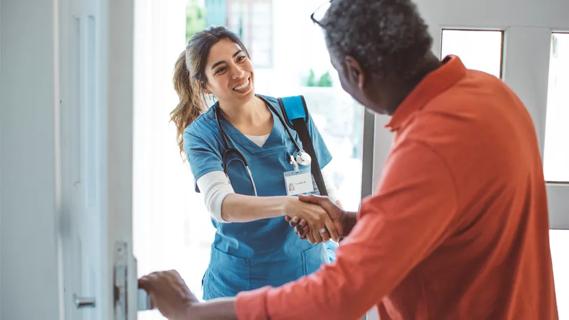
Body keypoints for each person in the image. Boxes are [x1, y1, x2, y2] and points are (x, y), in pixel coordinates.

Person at [140, 0, 559, 319]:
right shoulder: (491, 94)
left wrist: (190, 312)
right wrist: (347, 223)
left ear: (354, 72)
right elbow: (448, 224)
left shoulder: (430, 145)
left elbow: (343, 294)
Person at [169, 26, 342, 300]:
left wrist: (334, 225)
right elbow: (219, 203)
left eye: (240, 58)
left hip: (308, 276)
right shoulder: (202, 134)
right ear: (205, 84)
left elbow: (324, 188)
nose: (238, 73)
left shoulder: (294, 113)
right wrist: (288, 204)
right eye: (221, 69)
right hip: (240, 287)